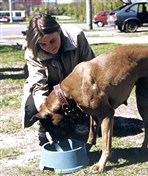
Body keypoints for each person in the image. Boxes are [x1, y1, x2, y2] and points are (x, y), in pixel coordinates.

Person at [21, 14, 95, 146]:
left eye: (52, 41)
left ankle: (83, 121)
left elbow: (91, 67)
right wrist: (46, 111)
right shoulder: (32, 51)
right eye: (42, 44)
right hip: (50, 87)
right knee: (32, 107)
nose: (49, 47)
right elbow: (39, 84)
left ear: (59, 31)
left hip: (78, 86)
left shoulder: (77, 37)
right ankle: (45, 127)